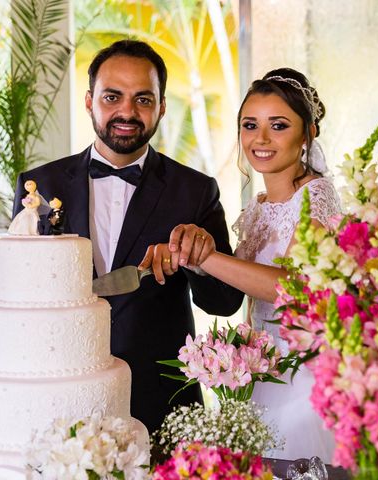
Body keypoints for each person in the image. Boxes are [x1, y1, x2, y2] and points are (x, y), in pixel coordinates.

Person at [12, 40, 244, 433]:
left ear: (162, 106)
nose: (127, 112)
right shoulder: (40, 184)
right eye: (112, 97)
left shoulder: (195, 190)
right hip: (60, 396)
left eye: (143, 99)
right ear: (89, 101)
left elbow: (224, 303)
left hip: (162, 403)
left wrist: (198, 260)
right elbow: (21, 292)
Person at [139, 68, 340, 461]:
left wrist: (207, 257)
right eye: (250, 125)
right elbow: (240, 289)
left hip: (303, 372)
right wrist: (191, 255)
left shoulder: (317, 196)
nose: (260, 139)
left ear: (308, 133)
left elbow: (290, 287)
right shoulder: (259, 206)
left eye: (278, 126)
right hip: (259, 369)